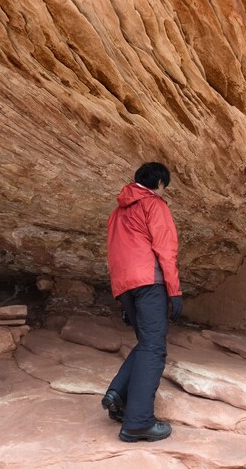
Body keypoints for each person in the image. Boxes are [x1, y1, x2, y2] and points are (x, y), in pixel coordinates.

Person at [101, 162, 184, 442]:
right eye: (165, 187)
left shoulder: (117, 213)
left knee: (146, 343)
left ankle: (118, 394)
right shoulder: (154, 205)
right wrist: (174, 291)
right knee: (154, 349)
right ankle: (138, 422)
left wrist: (122, 297)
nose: (164, 191)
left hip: (126, 285)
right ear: (159, 183)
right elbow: (166, 249)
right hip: (149, 282)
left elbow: (114, 253)